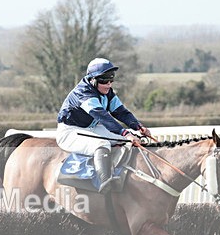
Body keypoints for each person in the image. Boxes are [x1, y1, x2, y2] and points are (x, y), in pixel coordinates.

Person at [56, 58, 151, 193]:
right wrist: (125, 132)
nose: (108, 84)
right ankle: (104, 181)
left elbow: (120, 112)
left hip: (92, 128)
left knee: (131, 139)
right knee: (102, 144)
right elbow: (102, 116)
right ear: (92, 80)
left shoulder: (107, 92)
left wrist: (137, 126)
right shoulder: (83, 92)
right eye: (104, 81)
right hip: (70, 131)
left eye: (111, 80)